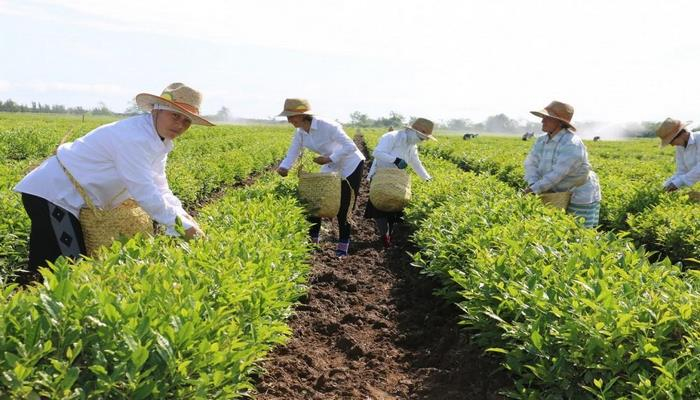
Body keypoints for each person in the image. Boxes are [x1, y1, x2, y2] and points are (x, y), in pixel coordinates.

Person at [14, 82, 211, 283]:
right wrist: (181, 227)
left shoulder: (159, 140)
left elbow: (160, 187)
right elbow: (144, 191)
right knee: (69, 270)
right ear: (157, 109)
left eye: (186, 121)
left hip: (60, 196)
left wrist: (184, 218)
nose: (179, 125)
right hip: (53, 194)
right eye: (175, 115)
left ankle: (31, 296)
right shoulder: (135, 138)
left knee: (52, 266)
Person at [276, 98, 365, 257]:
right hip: (330, 164)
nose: (289, 120)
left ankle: (343, 246)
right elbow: (293, 152)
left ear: (304, 116)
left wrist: (330, 158)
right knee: (316, 202)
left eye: (291, 117)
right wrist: (284, 167)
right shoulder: (300, 133)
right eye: (287, 117)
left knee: (343, 206)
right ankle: (313, 243)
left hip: (350, 164)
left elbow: (351, 147)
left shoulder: (328, 126)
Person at [522, 101, 601, 228]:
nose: (542, 121)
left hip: (579, 193)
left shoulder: (572, 144)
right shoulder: (541, 140)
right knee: (558, 229)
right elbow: (531, 163)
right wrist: (533, 183)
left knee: (579, 232)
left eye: (547, 118)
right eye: (543, 118)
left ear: (559, 122)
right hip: (555, 191)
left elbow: (557, 174)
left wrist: (534, 189)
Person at [365, 118, 435, 247]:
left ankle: (389, 235)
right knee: (379, 208)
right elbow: (377, 153)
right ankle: (384, 235)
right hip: (382, 176)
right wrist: (395, 160)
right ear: (413, 132)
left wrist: (427, 178)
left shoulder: (412, 145)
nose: (423, 140)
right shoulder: (391, 137)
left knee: (394, 208)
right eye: (422, 137)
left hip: (398, 179)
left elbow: (415, 163)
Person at [655, 117, 700, 192]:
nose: (672, 145)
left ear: (681, 133)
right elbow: (681, 171)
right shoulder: (680, 146)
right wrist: (666, 185)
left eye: (671, 141)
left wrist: (677, 183)